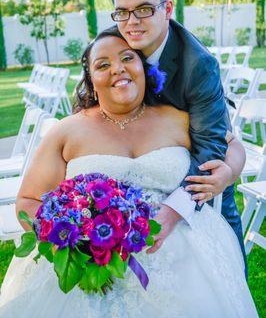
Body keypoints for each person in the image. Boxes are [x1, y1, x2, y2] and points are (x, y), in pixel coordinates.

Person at [0, 31, 258, 317]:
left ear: (143, 69)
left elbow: (232, 145)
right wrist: (78, 240)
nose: (117, 69)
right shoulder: (67, 131)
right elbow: (27, 200)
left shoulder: (176, 118)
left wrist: (229, 171)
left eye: (127, 58)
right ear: (91, 82)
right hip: (94, 264)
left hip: (185, 256)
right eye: (102, 65)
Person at [110, 0, 247, 262]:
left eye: (144, 9)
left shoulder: (198, 64)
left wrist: (173, 210)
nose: (131, 22)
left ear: (168, 8)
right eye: (122, 12)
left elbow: (212, 151)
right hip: (134, 180)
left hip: (194, 184)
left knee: (226, 278)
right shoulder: (111, 43)